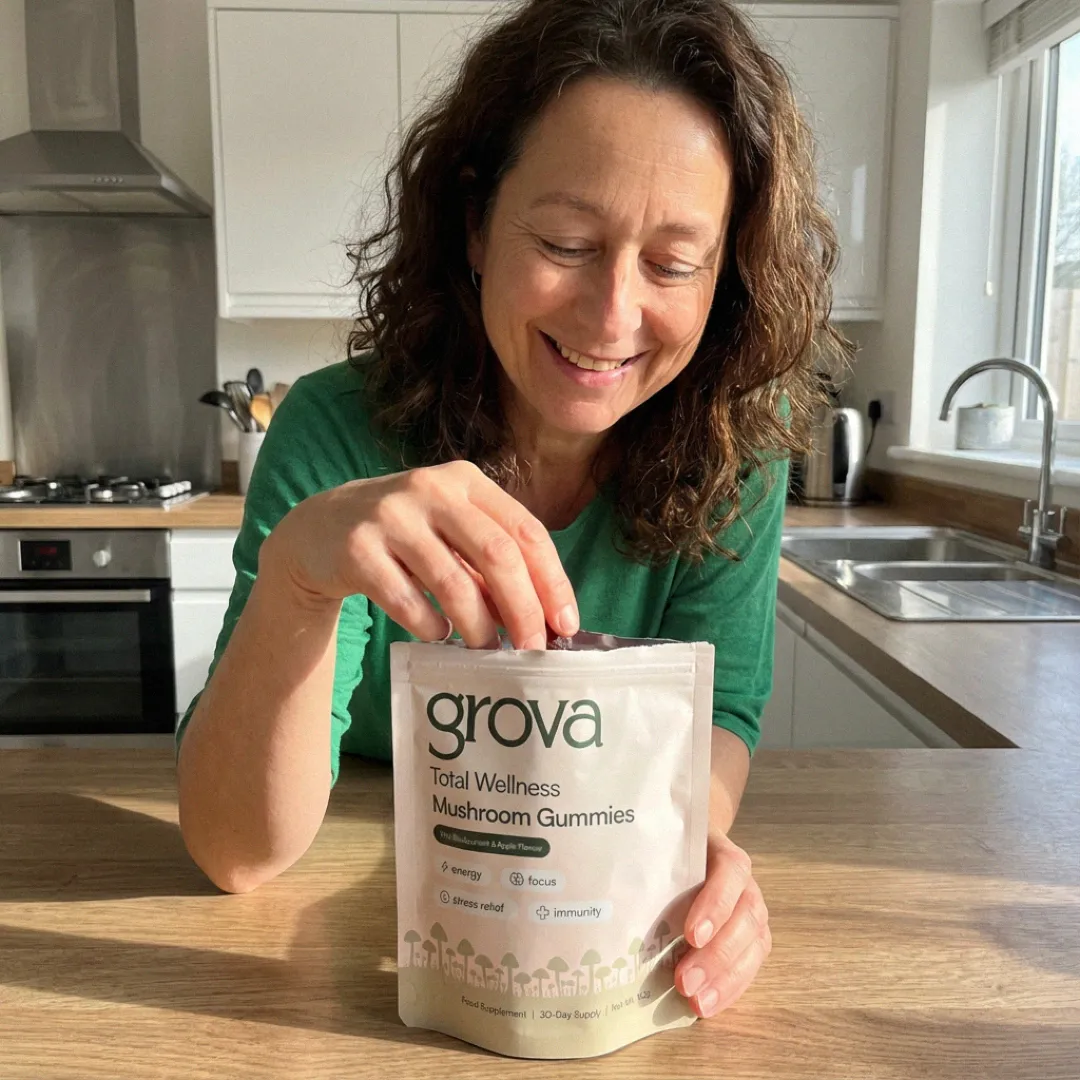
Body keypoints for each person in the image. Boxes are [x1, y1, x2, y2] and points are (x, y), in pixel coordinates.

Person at [177, 0, 850, 1022]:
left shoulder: (737, 458)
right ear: (477, 225)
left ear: (729, 280)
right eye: (569, 242)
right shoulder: (337, 429)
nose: (612, 316)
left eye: (673, 264)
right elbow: (236, 855)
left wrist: (679, 850)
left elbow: (715, 719)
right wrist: (302, 578)